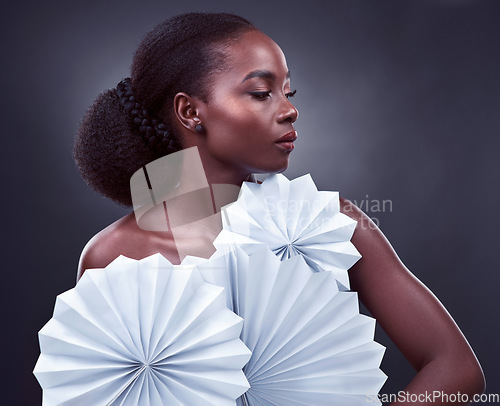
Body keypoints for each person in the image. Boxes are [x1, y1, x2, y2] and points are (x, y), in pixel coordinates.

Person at [73, 12, 485, 405]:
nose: (289, 110)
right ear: (190, 112)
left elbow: (456, 368)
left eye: (287, 92)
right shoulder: (111, 257)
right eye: (260, 93)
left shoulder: (330, 224)